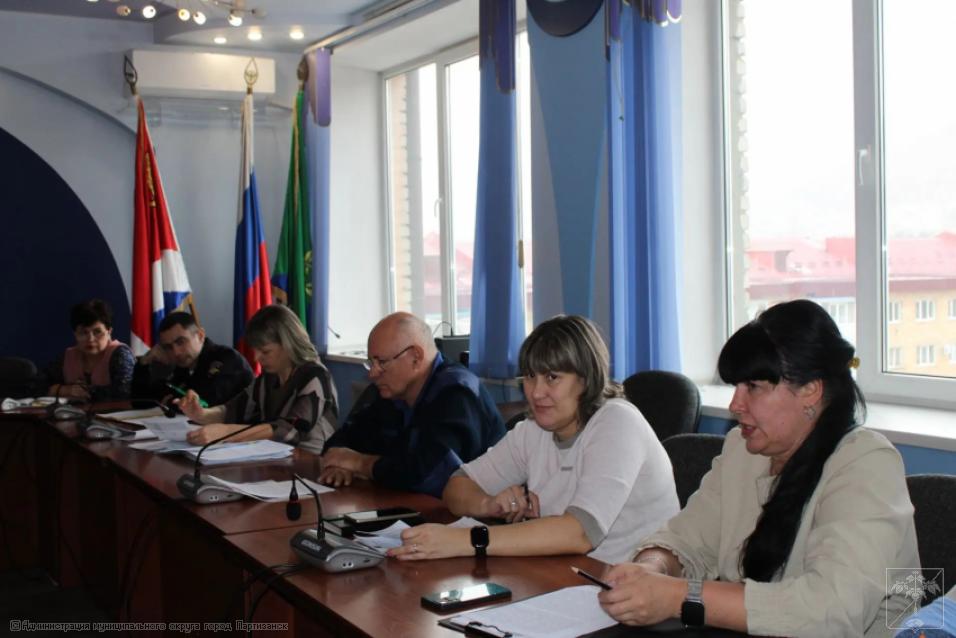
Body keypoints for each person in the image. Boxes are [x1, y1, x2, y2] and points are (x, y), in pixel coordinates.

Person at [597, 299, 918, 637]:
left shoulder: (868, 464)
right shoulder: (743, 449)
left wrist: (679, 596)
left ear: (811, 390)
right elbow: (686, 538)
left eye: (753, 387)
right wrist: (652, 568)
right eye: (736, 387)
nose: (735, 405)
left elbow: (831, 610)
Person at [388, 315, 679, 564]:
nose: (536, 392)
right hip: (567, 576)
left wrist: (467, 540)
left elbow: (579, 533)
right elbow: (456, 487)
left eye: (552, 377)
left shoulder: (617, 422)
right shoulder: (534, 429)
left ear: (587, 379)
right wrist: (489, 504)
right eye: (529, 376)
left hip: (634, 587)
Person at [320, 312, 506, 497]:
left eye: (381, 362)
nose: (373, 373)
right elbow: (343, 439)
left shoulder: (457, 392)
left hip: (481, 509)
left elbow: (431, 475)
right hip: (409, 507)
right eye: (371, 362)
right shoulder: (392, 392)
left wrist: (359, 463)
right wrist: (339, 465)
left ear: (416, 357)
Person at [177, 304, 337, 453]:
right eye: (255, 350)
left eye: (265, 351)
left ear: (288, 345)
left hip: (311, 463)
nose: (256, 358)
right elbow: (233, 411)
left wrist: (226, 433)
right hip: (275, 459)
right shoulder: (269, 377)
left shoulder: (315, 375)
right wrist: (201, 414)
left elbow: (289, 431)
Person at [131, 311, 252, 407]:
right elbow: (141, 402)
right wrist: (144, 363)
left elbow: (205, 404)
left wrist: (171, 402)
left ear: (200, 336)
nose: (176, 352)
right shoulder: (181, 366)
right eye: (168, 347)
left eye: (181, 342)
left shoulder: (227, 358)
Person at [46, 299, 134, 400]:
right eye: (83, 332)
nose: (90, 339)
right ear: (75, 334)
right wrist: (64, 390)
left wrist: (86, 391)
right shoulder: (68, 356)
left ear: (109, 331)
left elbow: (124, 392)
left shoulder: (121, 354)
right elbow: (34, 386)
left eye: (97, 332)